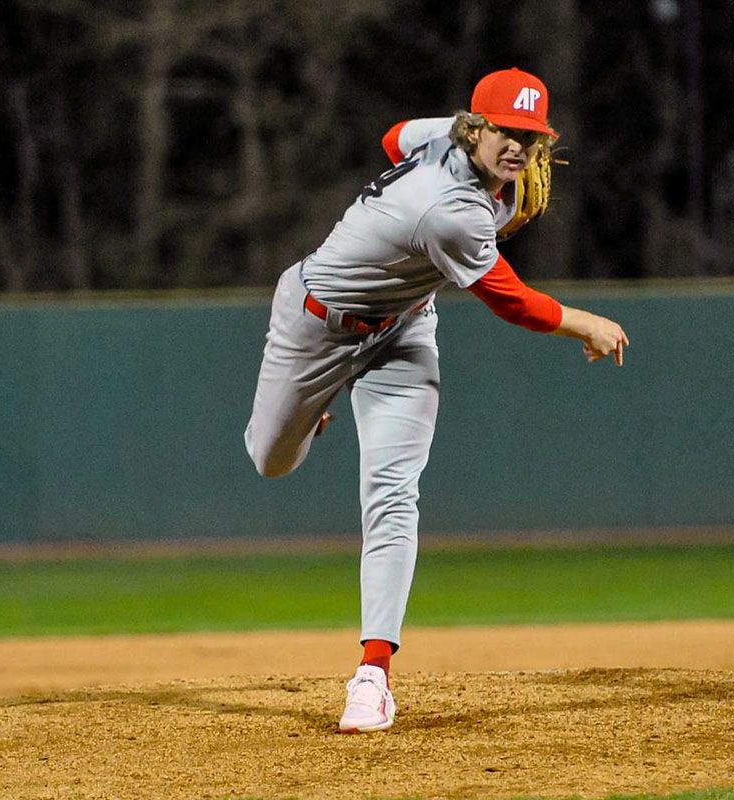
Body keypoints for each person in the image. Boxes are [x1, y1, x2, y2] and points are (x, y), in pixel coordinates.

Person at [242, 67, 629, 733]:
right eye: (507, 132)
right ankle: (312, 411)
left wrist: (457, 145)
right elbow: (513, 304)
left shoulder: (443, 140)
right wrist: (585, 321)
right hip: (315, 323)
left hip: (402, 329)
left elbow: (394, 137)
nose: (520, 149)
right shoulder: (448, 207)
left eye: (531, 137)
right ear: (475, 128)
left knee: (393, 490)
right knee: (271, 460)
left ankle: (372, 673)